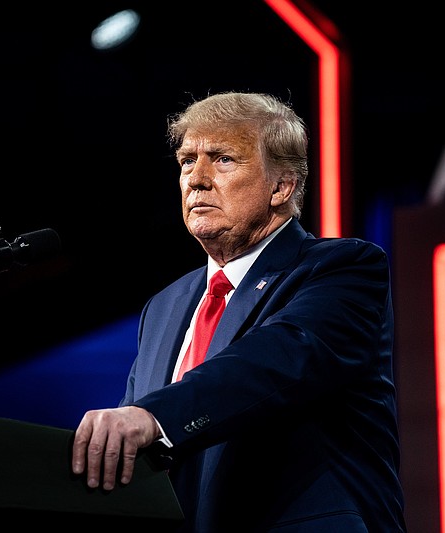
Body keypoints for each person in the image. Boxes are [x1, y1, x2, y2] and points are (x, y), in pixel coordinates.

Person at [71, 91, 406, 532]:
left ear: (281, 186)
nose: (197, 179)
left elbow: (277, 360)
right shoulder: (165, 307)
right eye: (187, 161)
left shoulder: (342, 268)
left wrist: (154, 417)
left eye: (224, 159)